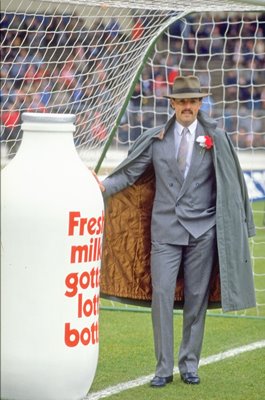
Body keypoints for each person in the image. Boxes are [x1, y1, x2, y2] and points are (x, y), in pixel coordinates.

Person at [94, 75, 256, 388]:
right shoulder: (155, 138)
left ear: (200, 103)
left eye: (193, 101)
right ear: (172, 104)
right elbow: (127, 176)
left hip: (203, 232)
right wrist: (99, 186)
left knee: (196, 300)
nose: (187, 106)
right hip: (164, 232)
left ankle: (189, 364)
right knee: (162, 297)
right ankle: (163, 368)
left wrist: (242, 224)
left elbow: (233, 183)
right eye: (181, 101)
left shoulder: (217, 137)